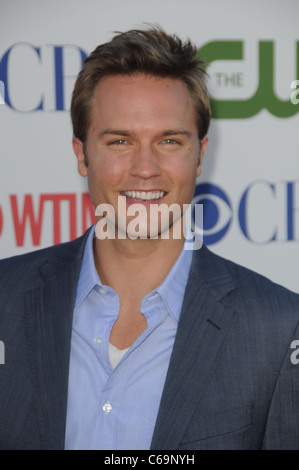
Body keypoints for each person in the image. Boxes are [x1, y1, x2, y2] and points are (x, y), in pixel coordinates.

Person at [1, 25, 299, 451]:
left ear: (200, 154)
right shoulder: (5, 299)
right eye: (120, 140)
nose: (145, 167)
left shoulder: (279, 327)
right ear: (81, 154)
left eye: (170, 140)